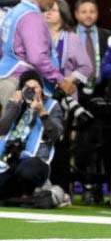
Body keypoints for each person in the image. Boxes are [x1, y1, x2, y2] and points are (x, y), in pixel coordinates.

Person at [0, 0, 74, 108]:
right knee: (21, 128)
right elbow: (37, 57)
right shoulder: (31, 16)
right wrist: (60, 80)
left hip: (6, 78)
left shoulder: (14, 12)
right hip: (20, 83)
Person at [0, 71, 64, 200]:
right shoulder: (16, 104)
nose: (31, 91)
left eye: (34, 88)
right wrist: (13, 106)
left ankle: (37, 190)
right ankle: (22, 194)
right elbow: (2, 130)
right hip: (10, 160)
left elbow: (57, 136)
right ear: (20, 90)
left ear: (41, 88)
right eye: (27, 88)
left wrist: (42, 113)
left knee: (26, 170)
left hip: (36, 162)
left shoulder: (52, 105)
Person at [43, 0, 92, 96]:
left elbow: (86, 67)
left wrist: (66, 81)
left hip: (63, 94)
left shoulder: (71, 38)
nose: (48, 12)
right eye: (45, 9)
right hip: (39, 93)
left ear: (63, 14)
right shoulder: (35, 35)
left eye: (53, 10)